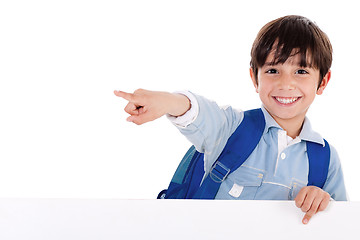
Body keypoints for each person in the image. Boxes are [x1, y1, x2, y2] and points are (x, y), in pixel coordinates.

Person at [114, 15, 347, 224]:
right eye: (273, 71)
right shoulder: (232, 128)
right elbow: (199, 112)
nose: (286, 84)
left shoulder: (325, 158)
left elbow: (344, 225)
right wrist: (167, 101)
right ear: (254, 78)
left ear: (323, 82)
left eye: (301, 71)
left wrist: (325, 204)